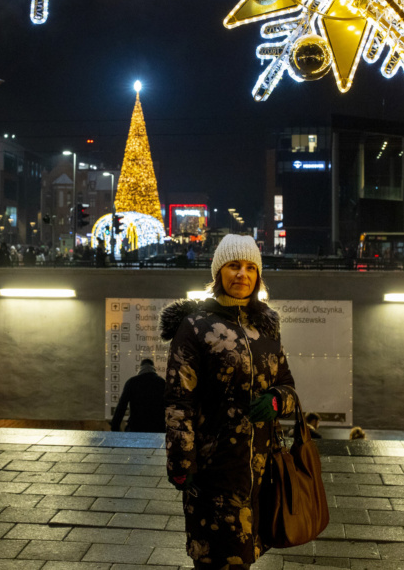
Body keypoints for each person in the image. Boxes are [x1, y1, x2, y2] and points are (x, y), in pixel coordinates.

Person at [162, 233, 298, 569]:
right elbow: (180, 402)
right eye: (234, 265)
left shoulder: (266, 325)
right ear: (218, 272)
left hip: (260, 469)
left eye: (251, 267)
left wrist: (278, 401)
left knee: (244, 557)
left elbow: (288, 385)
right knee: (216, 558)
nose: (243, 274)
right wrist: (181, 464)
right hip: (213, 468)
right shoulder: (195, 327)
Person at [110, 358, 166, 432]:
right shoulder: (162, 383)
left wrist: (115, 427)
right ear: (153, 368)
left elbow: (122, 406)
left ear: (140, 368)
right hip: (157, 428)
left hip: (136, 427)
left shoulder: (132, 382)